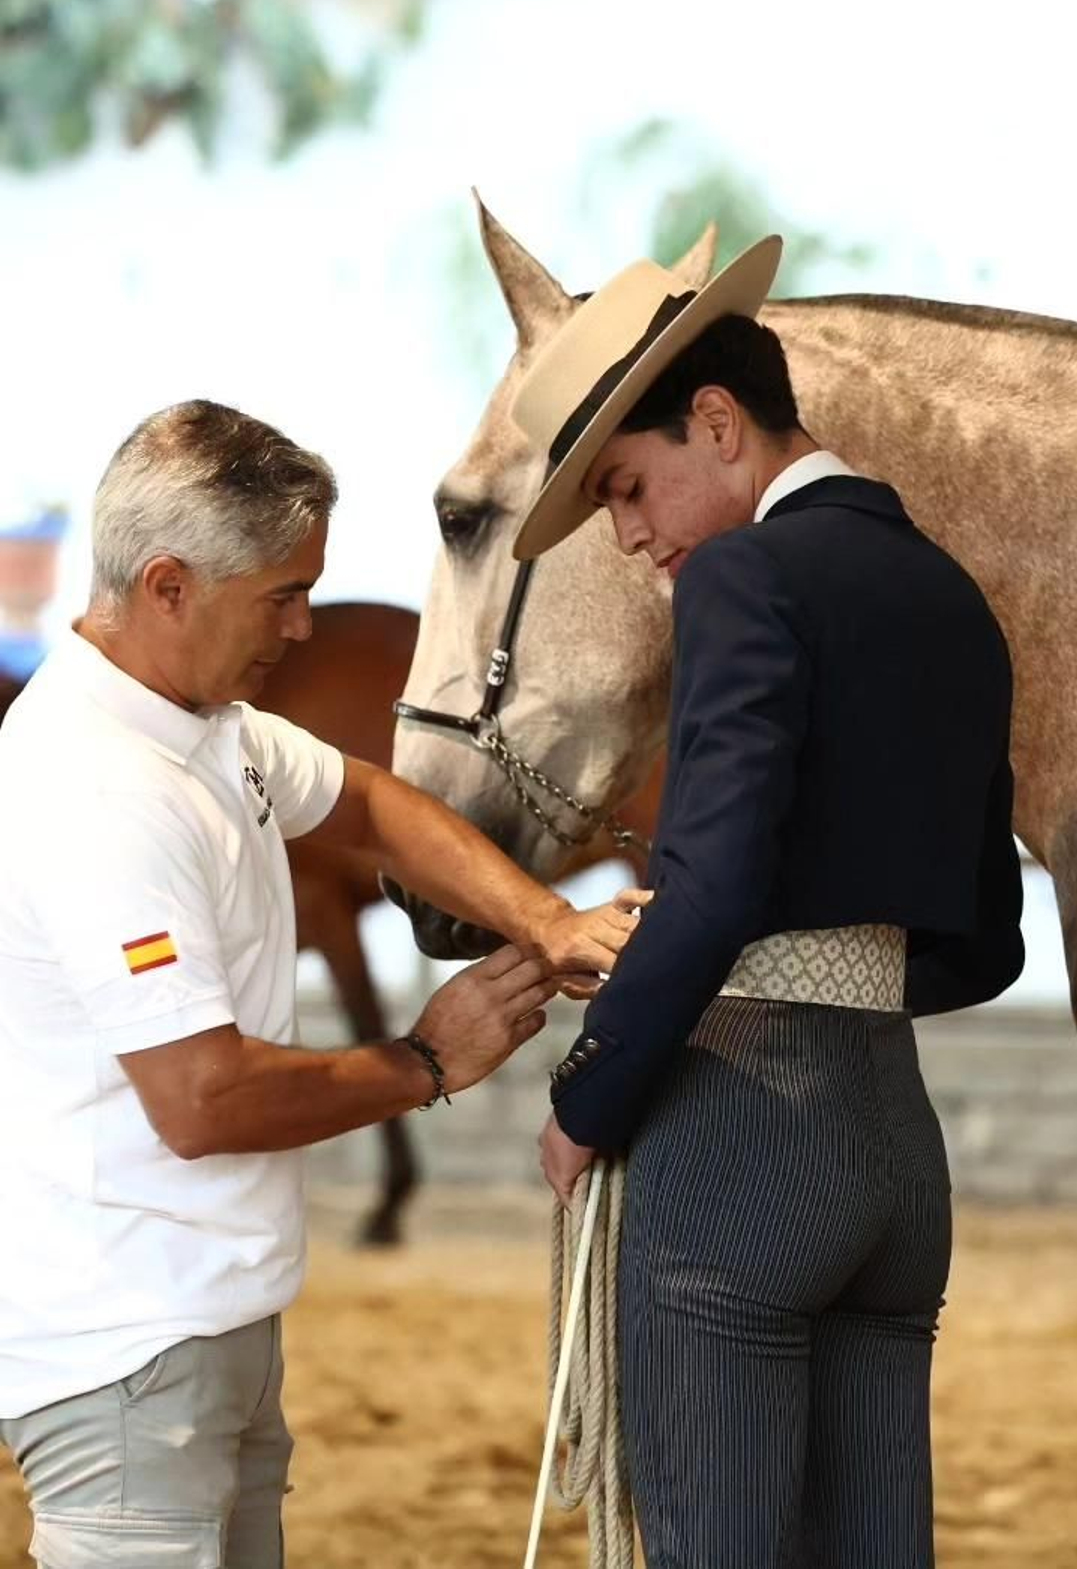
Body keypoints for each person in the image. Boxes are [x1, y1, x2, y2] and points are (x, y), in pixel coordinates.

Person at [0, 400, 644, 1569]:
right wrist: (428, 1059)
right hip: (126, 1344)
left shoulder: (207, 725)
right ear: (168, 585)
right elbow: (202, 1100)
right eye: (282, 596)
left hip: (206, 1317)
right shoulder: (99, 789)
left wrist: (548, 920)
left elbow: (368, 801)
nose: (302, 627)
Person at [512, 239, 1024, 1567]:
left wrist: (586, 1098)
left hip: (745, 1138)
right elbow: (986, 935)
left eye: (628, 487)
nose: (630, 536)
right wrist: (842, 977)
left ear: (719, 422)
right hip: (896, 1145)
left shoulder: (743, 577)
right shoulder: (949, 593)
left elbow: (719, 878)